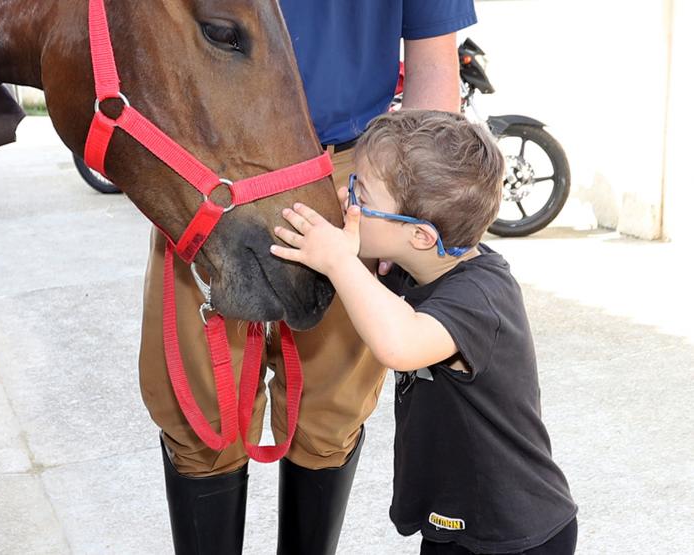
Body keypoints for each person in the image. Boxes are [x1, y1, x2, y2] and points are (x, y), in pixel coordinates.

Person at [138, 2, 478, 554]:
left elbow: (433, 60)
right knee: (200, 410)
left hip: (348, 173)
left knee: (330, 412)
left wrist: (411, 204)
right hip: (211, 164)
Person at [270, 109, 578, 555]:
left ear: (418, 236)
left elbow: (398, 344)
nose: (345, 195)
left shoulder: (481, 299)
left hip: (514, 533)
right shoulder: (419, 266)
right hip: (455, 518)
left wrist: (338, 262)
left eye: (361, 193)